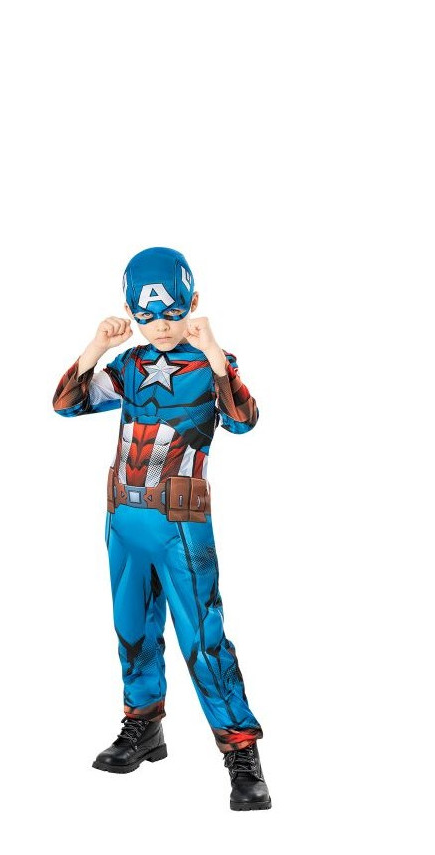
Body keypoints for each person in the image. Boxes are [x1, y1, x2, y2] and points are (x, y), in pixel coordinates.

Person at [52, 247, 271, 812]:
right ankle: (143, 726)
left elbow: (244, 421)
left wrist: (216, 355)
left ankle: (241, 753)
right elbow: (66, 405)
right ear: (132, 312)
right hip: (123, 519)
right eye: (147, 316)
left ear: (193, 302)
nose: (161, 326)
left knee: (204, 640)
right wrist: (97, 346)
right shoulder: (127, 366)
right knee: (132, 630)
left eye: (172, 313)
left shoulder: (211, 365)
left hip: (182, 524)